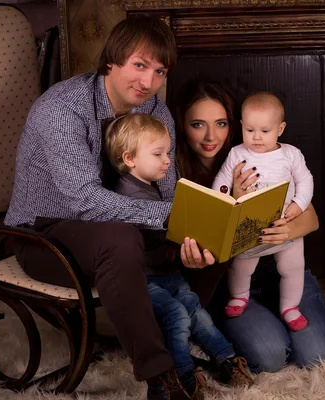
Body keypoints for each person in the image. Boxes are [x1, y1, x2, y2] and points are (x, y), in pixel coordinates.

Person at [4, 15, 214, 400]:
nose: (148, 82)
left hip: (126, 227)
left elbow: (168, 193)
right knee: (119, 238)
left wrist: (192, 227)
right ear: (112, 61)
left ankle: (192, 341)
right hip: (44, 233)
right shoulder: (63, 108)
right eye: (139, 65)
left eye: (159, 71)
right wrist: (165, 218)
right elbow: (83, 201)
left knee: (211, 236)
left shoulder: (152, 108)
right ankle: (160, 376)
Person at [173, 79, 325, 373]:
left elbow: (311, 217)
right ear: (181, 125)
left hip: (281, 269)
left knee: (320, 357)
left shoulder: (262, 155)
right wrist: (233, 201)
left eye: (221, 123)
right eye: (198, 124)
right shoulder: (176, 171)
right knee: (270, 356)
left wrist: (289, 228)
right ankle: (260, 319)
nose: (211, 135)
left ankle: (283, 311)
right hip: (230, 282)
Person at [104, 113, 254, 399]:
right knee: (178, 316)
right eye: (158, 153)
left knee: (197, 312)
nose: (167, 160)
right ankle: (185, 375)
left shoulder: (156, 186)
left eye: (168, 152)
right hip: (146, 279)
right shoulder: (123, 194)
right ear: (130, 158)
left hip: (169, 273)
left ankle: (227, 360)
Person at [211, 92, 313, 332]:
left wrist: (298, 203)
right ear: (241, 127)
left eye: (265, 131)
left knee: (293, 267)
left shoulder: (290, 154)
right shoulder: (238, 154)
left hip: (285, 225)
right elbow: (222, 180)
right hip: (249, 225)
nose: (256, 137)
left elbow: (306, 180)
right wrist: (223, 197)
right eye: (249, 130)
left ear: (280, 129)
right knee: (241, 265)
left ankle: (290, 307)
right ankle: (239, 295)